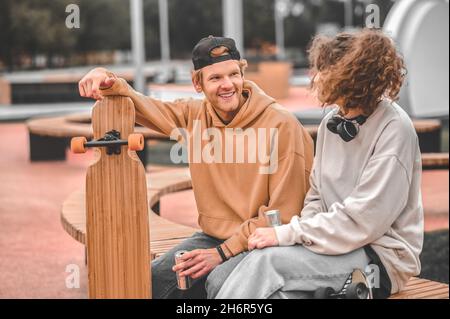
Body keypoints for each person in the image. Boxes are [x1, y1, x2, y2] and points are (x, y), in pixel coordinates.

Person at [78, 36, 314, 298]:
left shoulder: (282, 125)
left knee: (220, 282)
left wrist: (222, 253)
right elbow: (142, 105)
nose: (227, 85)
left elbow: (284, 214)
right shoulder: (194, 116)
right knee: (153, 280)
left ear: (242, 73)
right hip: (213, 237)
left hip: (267, 242)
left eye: (233, 74)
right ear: (197, 83)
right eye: (215, 78)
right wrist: (106, 78)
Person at [213, 29, 424, 299]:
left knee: (266, 263)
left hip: (379, 256)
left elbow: (363, 220)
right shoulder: (330, 124)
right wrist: (300, 238)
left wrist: (289, 235)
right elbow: (316, 196)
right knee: (274, 293)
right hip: (331, 244)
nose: (316, 76)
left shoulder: (394, 128)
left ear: (349, 75)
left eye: (323, 69)